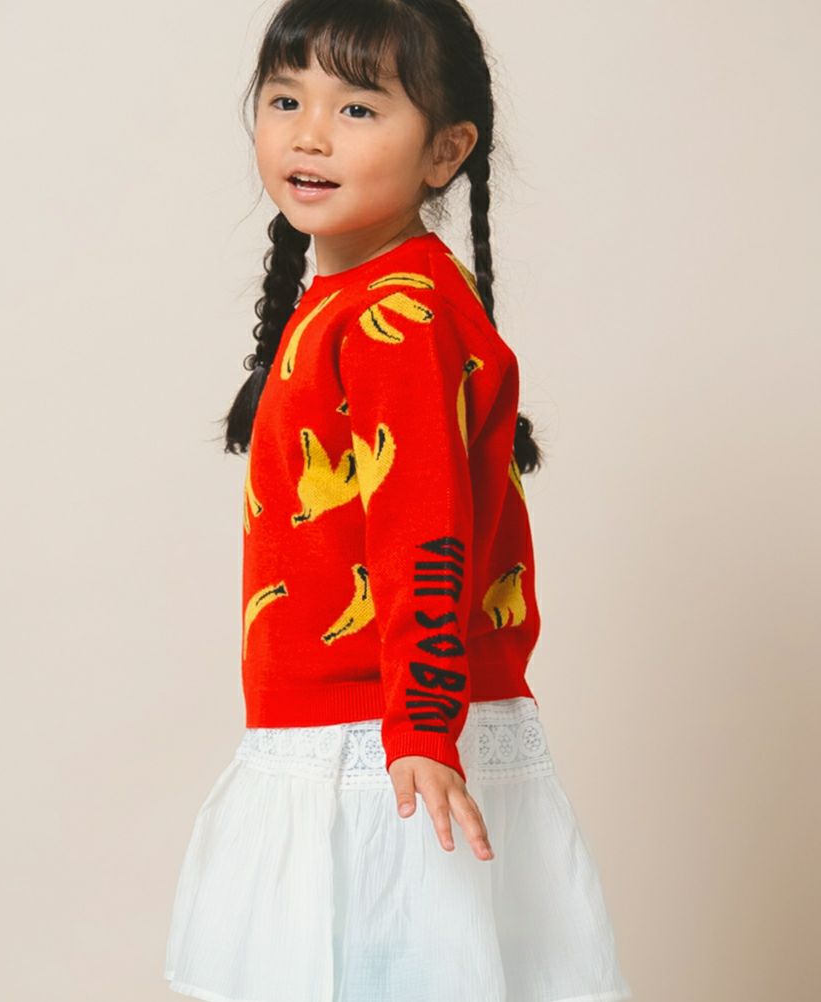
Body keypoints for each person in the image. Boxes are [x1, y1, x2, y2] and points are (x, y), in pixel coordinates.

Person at [164, 1, 633, 1000]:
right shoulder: (353, 299)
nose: (310, 133)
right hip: (350, 730)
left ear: (445, 151)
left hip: (385, 744)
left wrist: (420, 732)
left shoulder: (397, 314)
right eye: (285, 99)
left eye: (358, 108)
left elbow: (426, 528)